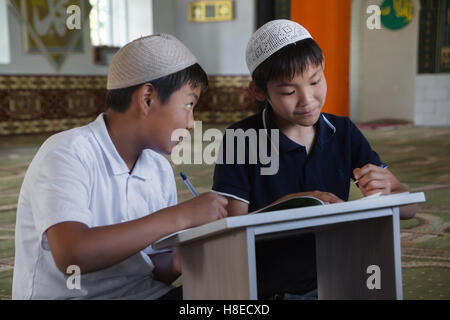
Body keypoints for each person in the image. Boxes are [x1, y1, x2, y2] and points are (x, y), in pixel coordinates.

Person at [212, 19, 418, 299]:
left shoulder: (343, 132)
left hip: (337, 276)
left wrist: (390, 187)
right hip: (267, 286)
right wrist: (294, 204)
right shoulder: (241, 139)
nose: (307, 100)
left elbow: (409, 209)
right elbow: (231, 234)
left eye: (315, 81)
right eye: (288, 91)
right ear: (259, 91)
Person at [12, 34, 228, 299]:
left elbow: (147, 270)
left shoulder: (158, 169)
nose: (191, 122)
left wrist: (176, 262)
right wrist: (181, 216)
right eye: (188, 104)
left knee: (239, 291)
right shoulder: (67, 152)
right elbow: (72, 256)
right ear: (147, 98)